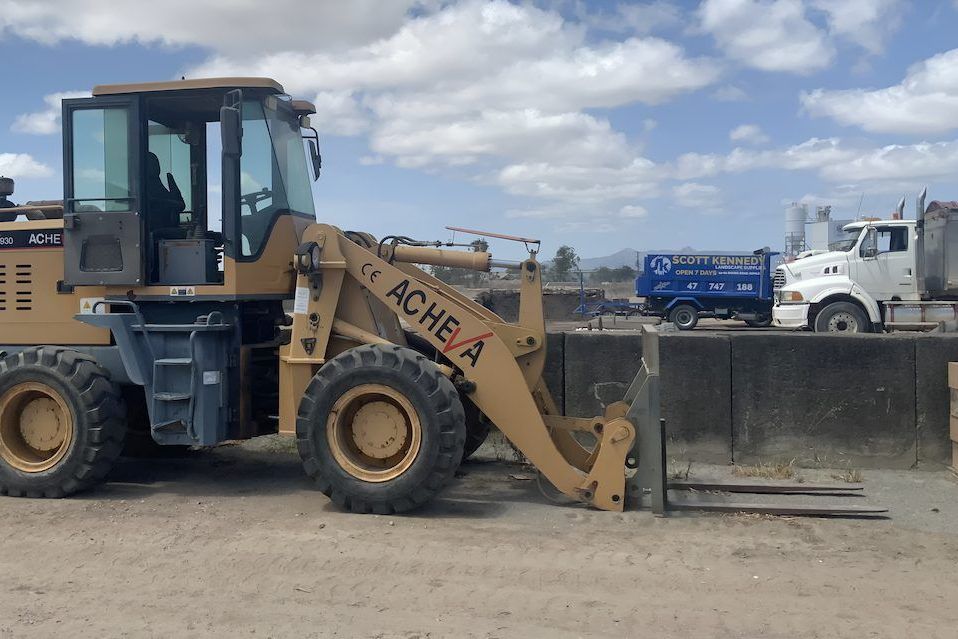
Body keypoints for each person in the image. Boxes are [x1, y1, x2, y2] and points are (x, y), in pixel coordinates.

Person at [146, 151, 185, 229]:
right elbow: (150, 202)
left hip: (169, 228)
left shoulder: (161, 182)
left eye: (156, 163)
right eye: (152, 163)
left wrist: (175, 198)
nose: (156, 166)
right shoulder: (140, 186)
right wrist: (173, 203)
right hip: (154, 230)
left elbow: (181, 205)